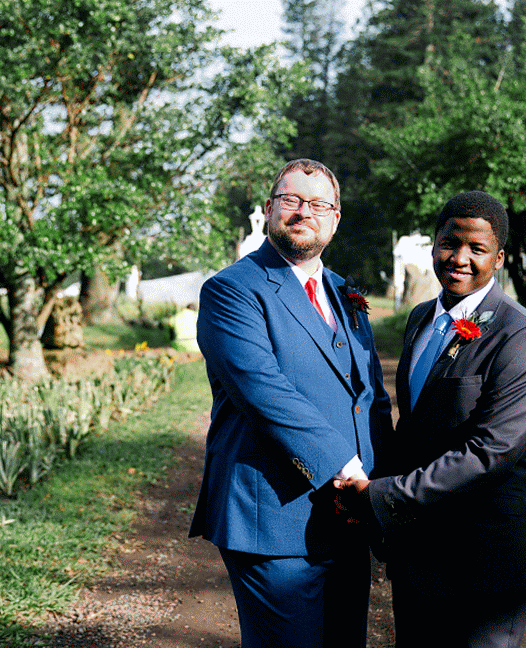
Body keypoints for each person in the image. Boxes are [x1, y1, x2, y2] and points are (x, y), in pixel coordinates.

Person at [335, 190, 526, 648]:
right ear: (435, 244)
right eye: (449, 243)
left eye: (477, 249)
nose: (459, 258)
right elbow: (415, 428)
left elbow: (490, 453)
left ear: (498, 257)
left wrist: (381, 496)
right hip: (421, 545)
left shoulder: (522, 337)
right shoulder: (422, 319)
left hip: (490, 551)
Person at [189, 158, 392, 648]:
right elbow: (265, 392)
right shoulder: (231, 290)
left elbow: (370, 395)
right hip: (273, 519)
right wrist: (348, 468)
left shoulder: (346, 291)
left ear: (335, 218)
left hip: (349, 512)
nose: (304, 212)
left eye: (319, 203)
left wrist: (385, 487)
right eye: (291, 200)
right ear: (269, 208)